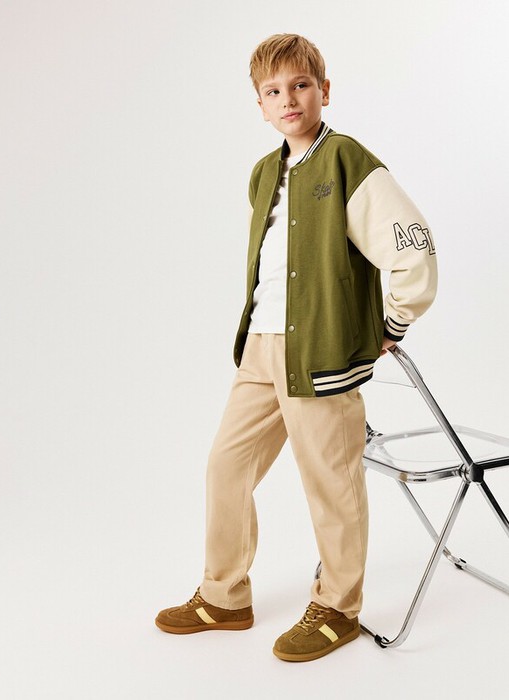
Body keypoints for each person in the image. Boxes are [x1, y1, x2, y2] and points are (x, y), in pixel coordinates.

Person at [155, 33, 437, 662]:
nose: (288, 99)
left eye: (301, 85)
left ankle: (338, 607)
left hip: (323, 350)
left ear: (323, 91)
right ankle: (224, 597)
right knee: (226, 466)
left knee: (331, 484)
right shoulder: (263, 174)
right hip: (262, 347)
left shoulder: (347, 161)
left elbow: (411, 243)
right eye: (273, 90)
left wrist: (392, 324)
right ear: (259, 104)